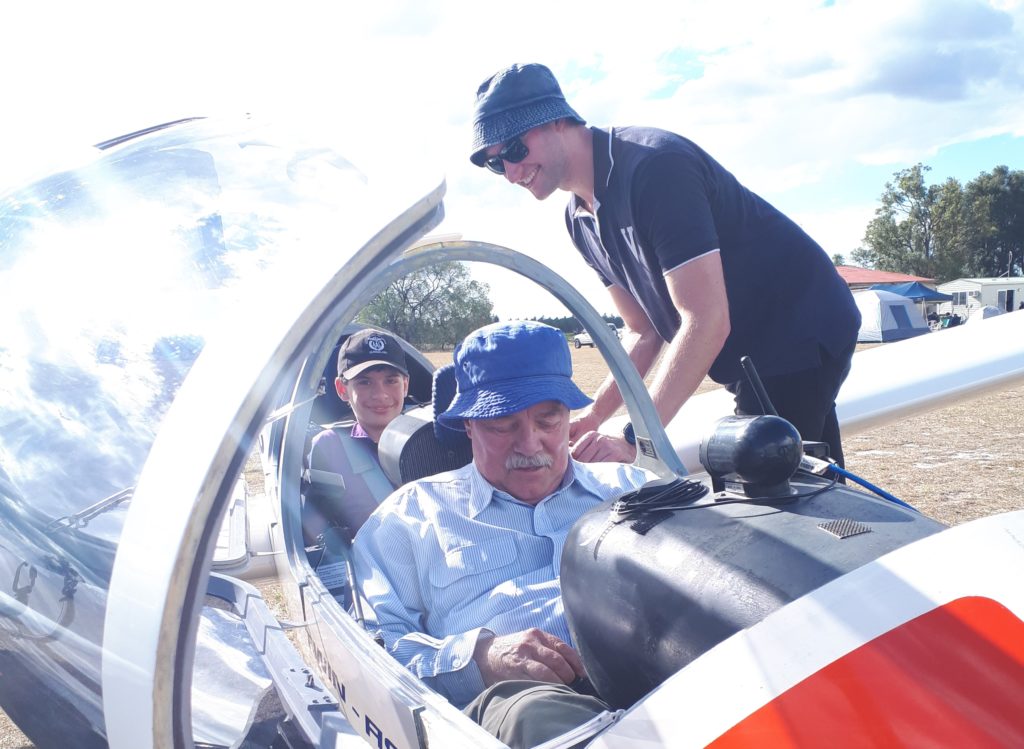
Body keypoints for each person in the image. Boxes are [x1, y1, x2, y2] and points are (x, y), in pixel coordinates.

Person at [469, 63, 861, 468]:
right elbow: (642, 331)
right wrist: (593, 417)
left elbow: (706, 318)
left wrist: (638, 441)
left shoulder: (655, 168)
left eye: (515, 150)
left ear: (554, 119)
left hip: (798, 328)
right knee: (812, 470)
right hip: (755, 355)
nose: (512, 173)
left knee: (764, 470)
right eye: (497, 164)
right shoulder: (578, 219)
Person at [352, 320, 651, 748]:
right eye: (502, 425)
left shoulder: (632, 487)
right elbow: (373, 654)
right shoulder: (406, 521)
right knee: (537, 716)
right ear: (468, 425)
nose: (530, 444)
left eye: (548, 420)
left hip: (659, 675)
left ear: (568, 416)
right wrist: (479, 659)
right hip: (519, 712)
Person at [306, 328, 410, 539]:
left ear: (405, 385)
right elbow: (313, 532)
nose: (380, 395)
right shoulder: (329, 448)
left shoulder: (431, 438)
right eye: (364, 382)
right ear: (342, 389)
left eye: (391, 381)